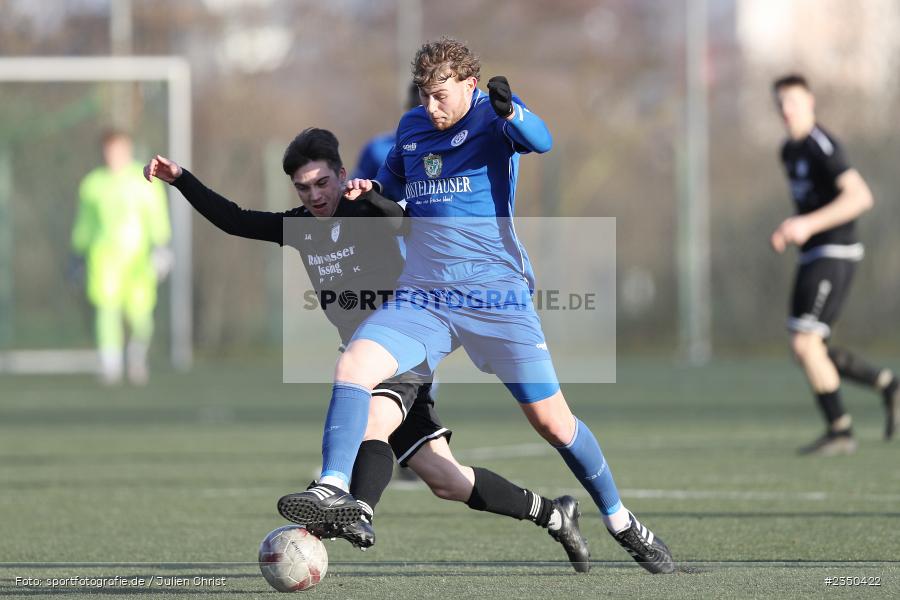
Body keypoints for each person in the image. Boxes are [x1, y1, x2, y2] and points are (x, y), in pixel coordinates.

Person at [278, 38, 674, 574]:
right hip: (425, 296)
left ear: (469, 85)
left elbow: (542, 140)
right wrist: (373, 186)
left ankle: (621, 520)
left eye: (442, 95)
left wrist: (514, 110)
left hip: (496, 298)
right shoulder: (413, 128)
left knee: (554, 425)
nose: (432, 106)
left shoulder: (493, 119)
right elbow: (395, 186)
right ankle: (332, 486)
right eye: (425, 94)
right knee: (353, 364)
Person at [144, 128, 592, 572]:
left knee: (371, 424)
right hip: (367, 363)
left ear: (342, 175)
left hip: (404, 347)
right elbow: (235, 219)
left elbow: (405, 220)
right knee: (446, 480)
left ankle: (355, 507)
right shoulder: (301, 227)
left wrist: (374, 196)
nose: (315, 195)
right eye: (304, 187)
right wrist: (181, 178)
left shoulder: (365, 211)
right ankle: (553, 513)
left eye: (322, 183)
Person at [770, 74, 899, 456]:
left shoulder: (821, 146)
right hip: (813, 253)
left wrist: (807, 224)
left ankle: (841, 431)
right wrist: (793, 228)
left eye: (792, 102)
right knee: (811, 348)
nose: (785, 110)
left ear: (810, 102)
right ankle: (888, 385)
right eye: (779, 103)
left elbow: (860, 197)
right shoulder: (788, 151)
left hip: (836, 252)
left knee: (805, 343)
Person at [71, 130, 172, 385]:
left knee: (140, 314)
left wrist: (161, 247)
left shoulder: (144, 180)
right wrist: (78, 252)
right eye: (109, 150)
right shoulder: (92, 184)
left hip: (138, 260)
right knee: (106, 311)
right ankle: (111, 364)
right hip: (104, 259)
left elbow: (156, 215)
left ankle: (137, 358)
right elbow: (85, 223)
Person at [351, 83, 422, 180]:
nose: (424, 114)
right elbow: (358, 190)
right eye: (417, 107)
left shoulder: (447, 145)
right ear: (408, 108)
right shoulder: (377, 148)